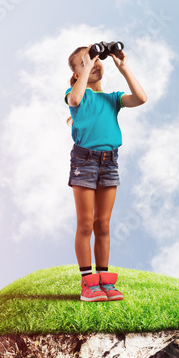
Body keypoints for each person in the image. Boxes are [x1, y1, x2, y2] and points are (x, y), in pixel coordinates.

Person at [65, 44, 147, 302]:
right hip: (84, 161)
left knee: (103, 224)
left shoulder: (112, 98)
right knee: (86, 224)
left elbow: (141, 98)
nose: (94, 63)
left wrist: (123, 67)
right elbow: (75, 100)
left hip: (109, 162)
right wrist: (88, 63)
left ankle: (104, 280)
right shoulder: (75, 94)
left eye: (98, 59)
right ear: (77, 74)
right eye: (86, 62)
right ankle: (87, 283)